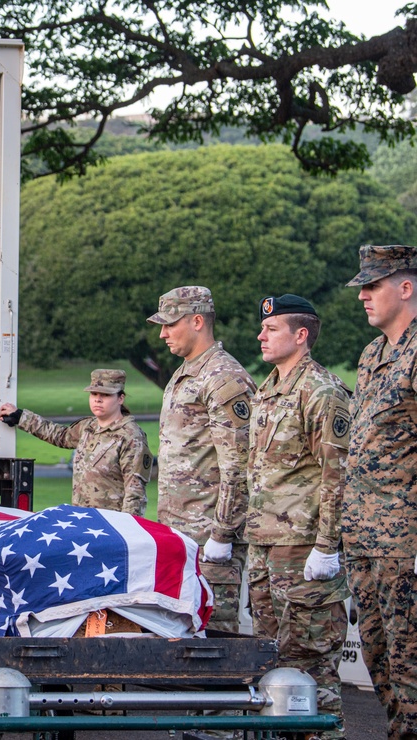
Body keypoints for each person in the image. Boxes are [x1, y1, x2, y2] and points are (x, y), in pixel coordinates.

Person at [245, 294, 351, 739]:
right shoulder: (268, 388)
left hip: (303, 551)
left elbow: (337, 476)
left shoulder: (322, 392)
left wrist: (327, 547)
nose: (260, 335)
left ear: (301, 335)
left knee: (312, 666)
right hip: (264, 546)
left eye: (271, 330)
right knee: (273, 664)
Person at [147, 286, 256, 633]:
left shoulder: (223, 377)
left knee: (214, 640)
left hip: (209, 540)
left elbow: (238, 466)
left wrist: (222, 535)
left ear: (197, 321)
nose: (163, 333)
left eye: (170, 324)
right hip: (180, 535)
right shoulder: (184, 373)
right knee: (183, 638)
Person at [342, 245, 417, 739]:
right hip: (363, 534)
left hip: (403, 538)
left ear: (406, 287)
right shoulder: (374, 354)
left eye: (374, 286)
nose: (364, 296)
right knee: (376, 653)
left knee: (410, 656)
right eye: (362, 288)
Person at [0, 369, 152, 517]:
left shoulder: (131, 437)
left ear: (120, 398)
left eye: (105, 395)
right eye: (94, 394)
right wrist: (21, 417)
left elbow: (135, 492)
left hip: (109, 526)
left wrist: (127, 532)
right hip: (81, 521)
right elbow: (59, 435)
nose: (97, 399)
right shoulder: (87, 427)